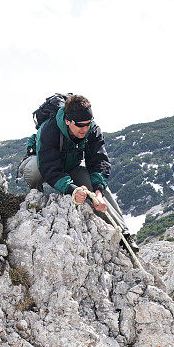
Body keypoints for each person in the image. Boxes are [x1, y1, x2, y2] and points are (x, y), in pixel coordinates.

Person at [29, 94, 139, 252]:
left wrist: (98, 191)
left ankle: (124, 235)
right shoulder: (49, 130)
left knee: (96, 188)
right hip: (41, 163)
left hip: (71, 166)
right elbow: (50, 168)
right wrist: (71, 189)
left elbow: (98, 161)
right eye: (80, 125)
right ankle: (35, 198)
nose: (85, 129)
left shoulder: (92, 129)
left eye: (88, 124)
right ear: (68, 121)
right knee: (34, 171)